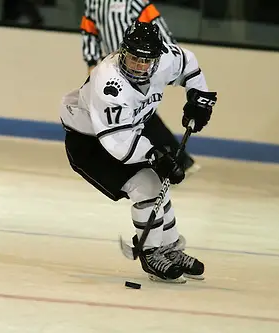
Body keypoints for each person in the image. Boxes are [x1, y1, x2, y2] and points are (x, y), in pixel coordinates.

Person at [60, 21, 217, 283]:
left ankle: (169, 248)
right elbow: (118, 142)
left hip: (130, 133)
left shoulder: (165, 59)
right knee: (147, 186)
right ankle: (151, 253)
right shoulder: (109, 83)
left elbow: (189, 63)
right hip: (90, 143)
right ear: (123, 53)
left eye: (147, 60)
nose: (140, 66)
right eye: (134, 59)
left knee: (158, 184)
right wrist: (156, 156)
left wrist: (199, 98)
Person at [80, 0, 200, 175]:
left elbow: (156, 24)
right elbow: (89, 30)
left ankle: (175, 161)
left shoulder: (134, 1)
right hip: (114, 69)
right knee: (131, 116)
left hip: (141, 66)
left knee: (143, 116)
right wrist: (91, 61)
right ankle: (174, 161)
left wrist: (171, 56)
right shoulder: (94, 2)